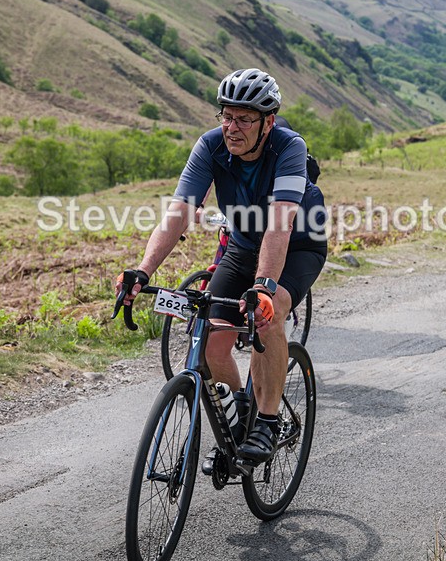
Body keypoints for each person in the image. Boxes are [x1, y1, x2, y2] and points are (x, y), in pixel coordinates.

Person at [116, 67, 327, 464]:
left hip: (298, 245)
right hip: (244, 246)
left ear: (269, 122)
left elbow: (280, 227)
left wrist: (264, 288)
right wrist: (143, 271)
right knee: (211, 335)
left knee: (270, 311)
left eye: (244, 119)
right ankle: (240, 414)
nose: (232, 127)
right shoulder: (210, 147)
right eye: (227, 116)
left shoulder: (289, 148)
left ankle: (267, 420)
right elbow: (177, 215)